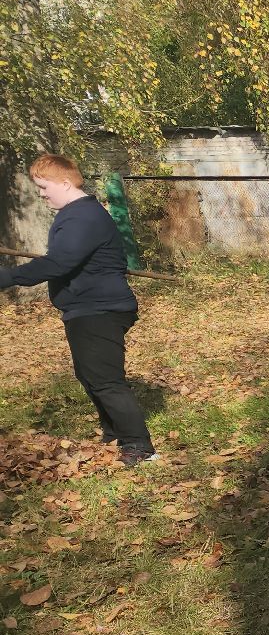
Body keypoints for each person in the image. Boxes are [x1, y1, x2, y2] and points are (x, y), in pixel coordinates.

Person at [3, 154, 157, 466]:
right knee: (90, 375)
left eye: (44, 187)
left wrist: (6, 278)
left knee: (105, 380)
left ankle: (140, 447)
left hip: (99, 309)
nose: (42, 194)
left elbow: (59, 262)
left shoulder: (81, 216)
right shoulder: (81, 214)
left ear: (64, 182)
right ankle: (114, 432)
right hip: (88, 308)